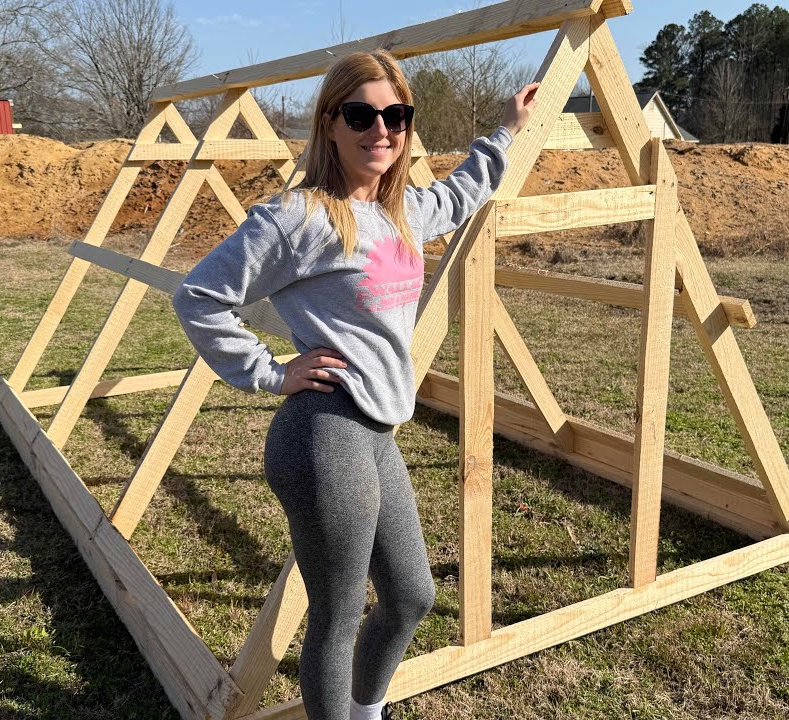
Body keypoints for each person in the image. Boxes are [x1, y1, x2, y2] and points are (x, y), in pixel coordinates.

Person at [173, 49, 537, 720]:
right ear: (330, 123)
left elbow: (460, 194)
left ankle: (367, 712)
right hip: (322, 434)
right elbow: (198, 295)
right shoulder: (299, 217)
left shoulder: (402, 213)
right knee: (338, 615)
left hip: (375, 432)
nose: (382, 130)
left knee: (410, 597)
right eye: (362, 115)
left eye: (396, 115)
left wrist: (507, 129)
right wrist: (270, 372)